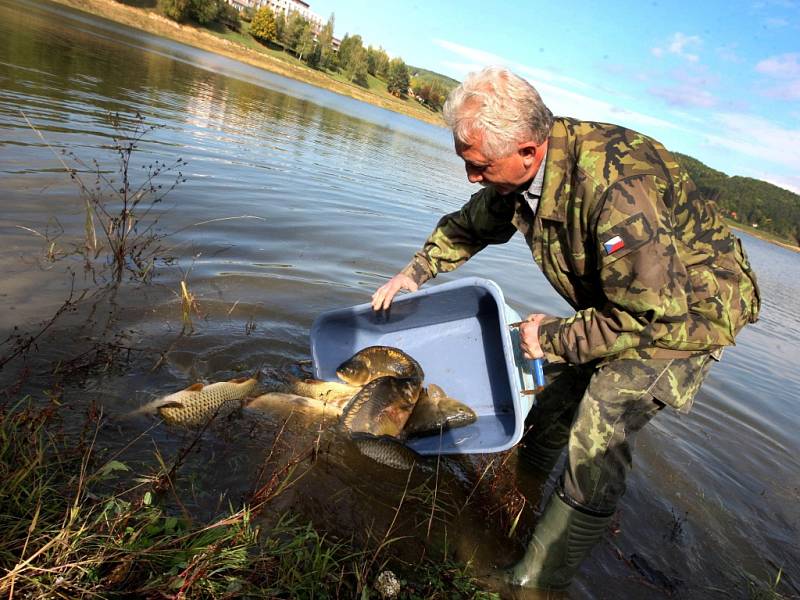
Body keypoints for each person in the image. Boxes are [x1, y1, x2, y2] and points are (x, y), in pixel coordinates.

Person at [370, 66, 761, 591]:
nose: (471, 176)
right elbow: (471, 223)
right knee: (553, 397)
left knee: (602, 416)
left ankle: (534, 580)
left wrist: (552, 337)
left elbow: (648, 313)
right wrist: (415, 272)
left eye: (479, 166)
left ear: (528, 151)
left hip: (689, 310)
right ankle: (519, 499)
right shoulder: (522, 169)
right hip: (629, 297)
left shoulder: (618, 189)